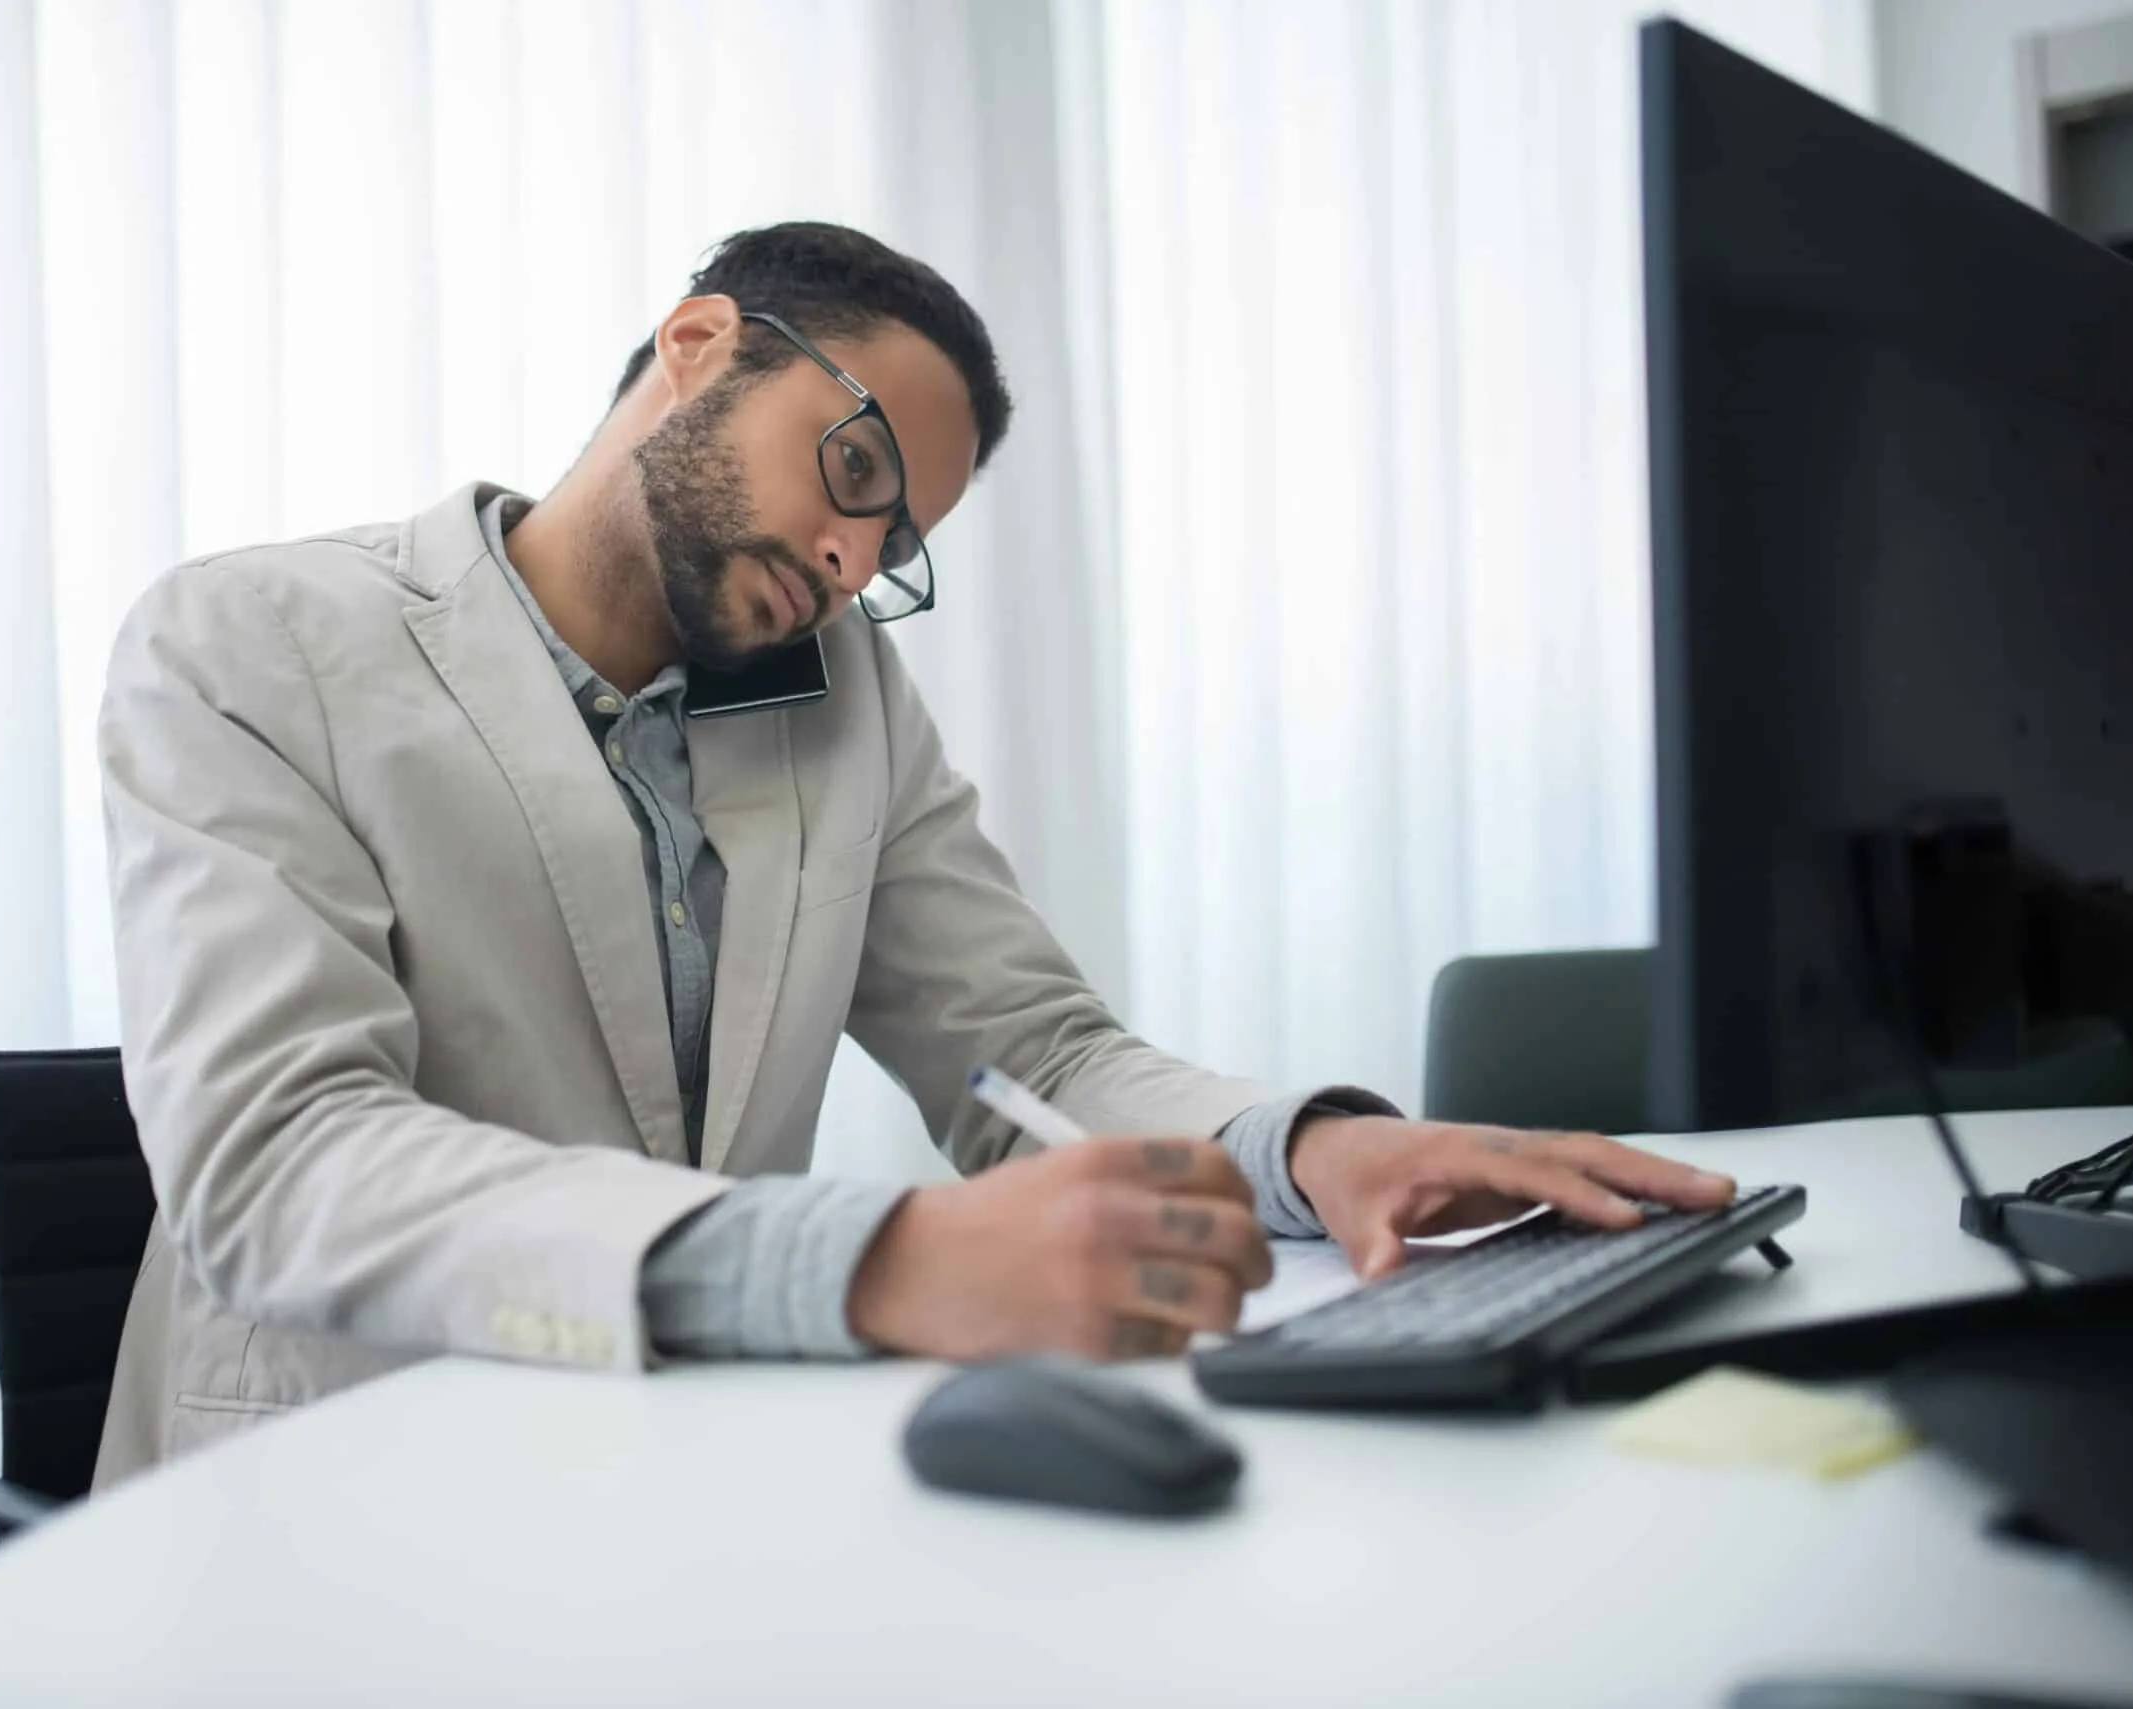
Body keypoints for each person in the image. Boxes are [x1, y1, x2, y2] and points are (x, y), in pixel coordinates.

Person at [91, 220, 1734, 1485]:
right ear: (699, 344)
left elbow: (1026, 1051)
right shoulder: (252, 641)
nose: (851, 556)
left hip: (680, 1479)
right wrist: (875, 1260)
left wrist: (1312, 1152)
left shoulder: (846, 694)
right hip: (331, 1488)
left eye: (897, 539)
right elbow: (279, 1159)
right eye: (855, 468)